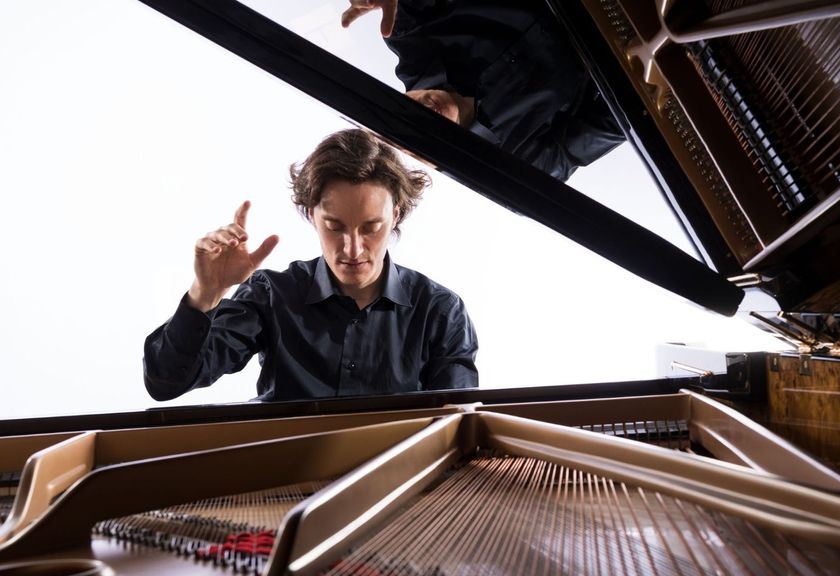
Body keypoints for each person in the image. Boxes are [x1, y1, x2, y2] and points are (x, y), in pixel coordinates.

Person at [143, 129, 478, 402]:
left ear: (397, 216)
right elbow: (167, 383)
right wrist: (206, 293)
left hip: (403, 482)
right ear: (311, 215)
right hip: (282, 475)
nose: (352, 248)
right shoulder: (271, 294)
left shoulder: (440, 310)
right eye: (335, 226)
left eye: (371, 227)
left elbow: (458, 423)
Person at [341, 0, 625, 181]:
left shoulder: (409, 36)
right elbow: (618, 119)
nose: (422, 112)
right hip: (624, 30)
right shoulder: (518, 166)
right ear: (433, 164)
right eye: (414, 142)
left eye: (399, 116)